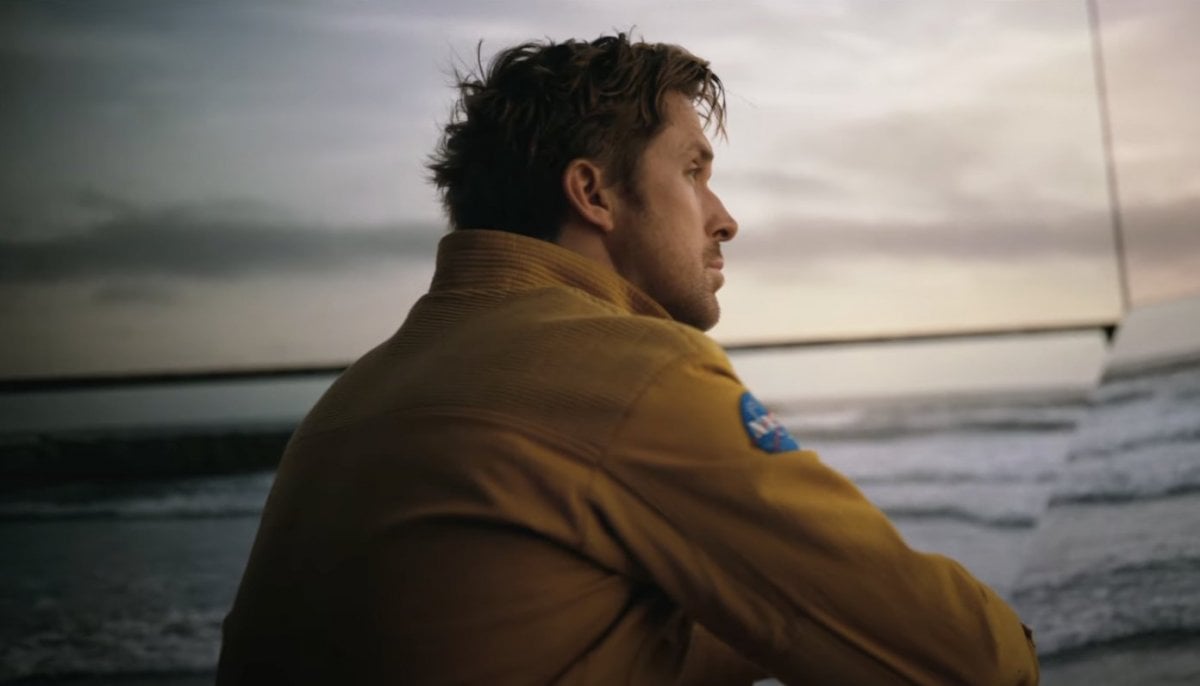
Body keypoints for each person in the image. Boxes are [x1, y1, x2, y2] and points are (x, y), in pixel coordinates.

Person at [217, 33, 1039, 685]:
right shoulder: (633, 371)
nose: (724, 218)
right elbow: (967, 662)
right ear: (595, 194)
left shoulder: (354, 395)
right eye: (693, 171)